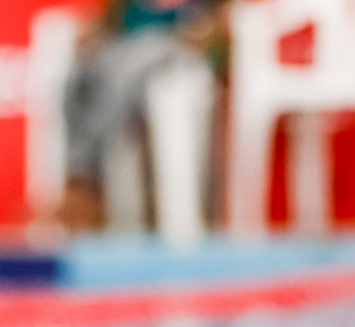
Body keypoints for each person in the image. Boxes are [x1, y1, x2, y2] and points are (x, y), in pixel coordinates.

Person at [58, 0, 228, 232]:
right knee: (78, 76)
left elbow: (221, 20)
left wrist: (207, 30)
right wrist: (96, 33)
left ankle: (86, 183)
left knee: (128, 68)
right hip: (125, 48)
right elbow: (111, 20)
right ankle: (81, 175)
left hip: (175, 48)